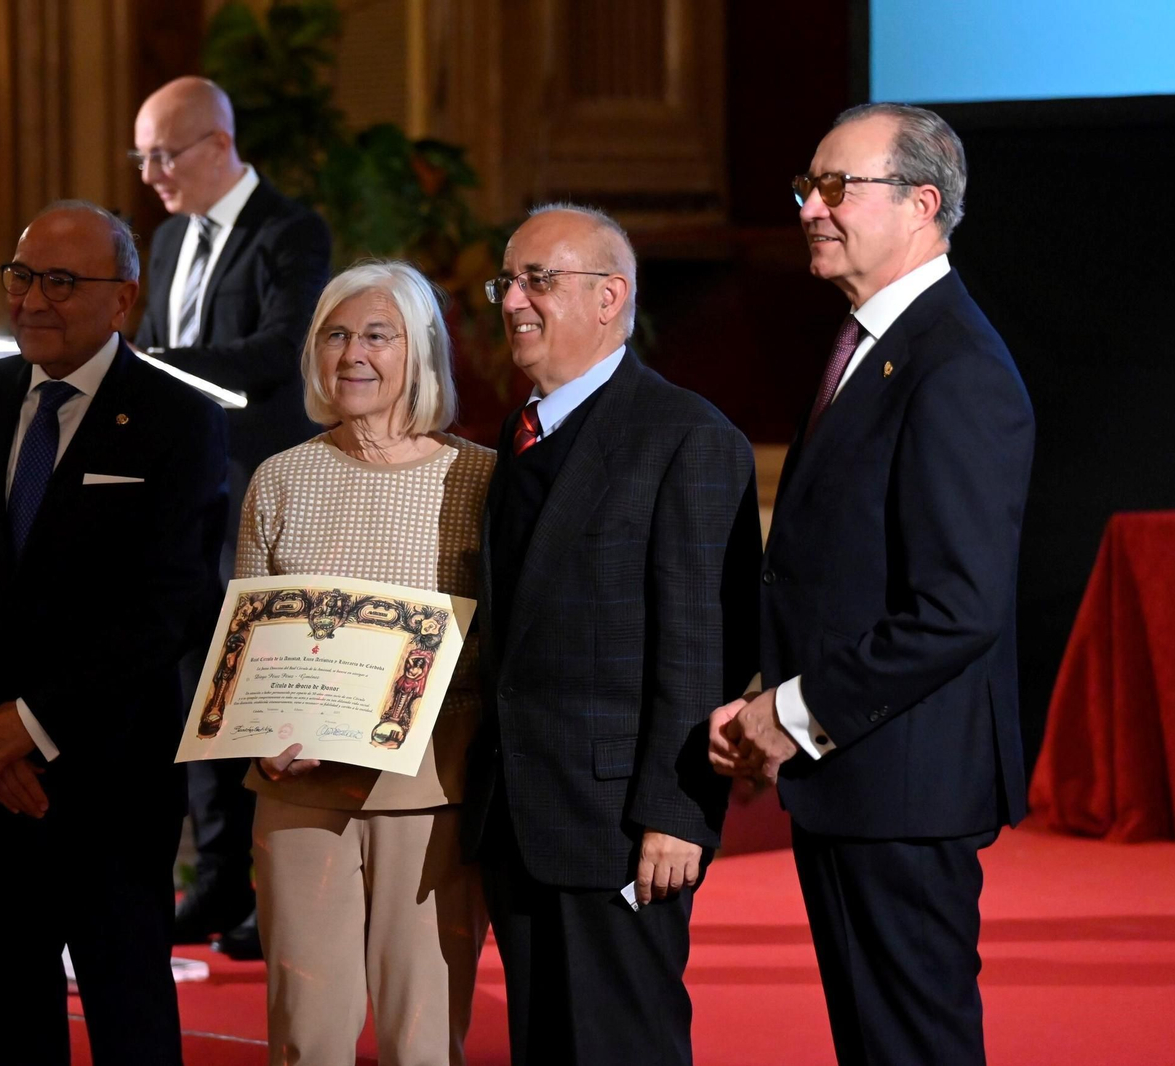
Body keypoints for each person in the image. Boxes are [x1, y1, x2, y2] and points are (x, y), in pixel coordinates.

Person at [708, 104, 1035, 1066]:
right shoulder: (873, 343)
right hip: (858, 780)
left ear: (922, 204)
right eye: (809, 185)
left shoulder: (956, 366)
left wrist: (793, 714)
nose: (812, 206)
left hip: (905, 788)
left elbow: (957, 609)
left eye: (838, 187)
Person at [0, 201, 227, 1066]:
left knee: (129, 1020)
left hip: (108, 777)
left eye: (60, 281)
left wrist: (33, 725)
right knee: (5, 1019)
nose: (31, 300)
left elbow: (170, 605)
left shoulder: (177, 419)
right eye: (21, 275)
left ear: (124, 298)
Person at [461, 204, 762, 1066]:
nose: (514, 300)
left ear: (609, 297)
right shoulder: (513, 440)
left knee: (623, 1047)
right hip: (517, 818)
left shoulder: (688, 438)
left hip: (622, 826)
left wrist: (677, 814)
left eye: (539, 280)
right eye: (508, 281)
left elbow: (703, 644)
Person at [239, 261, 492, 1065]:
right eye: (335, 335)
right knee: (306, 1038)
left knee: (422, 1041)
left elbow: (503, 646)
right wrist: (260, 730)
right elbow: (248, 648)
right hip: (299, 785)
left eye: (376, 335)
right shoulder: (278, 479)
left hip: (433, 791)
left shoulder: (481, 479)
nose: (352, 353)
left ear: (420, 352)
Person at [130, 75, 333, 956]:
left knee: (255, 687)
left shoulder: (290, 231)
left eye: (163, 155)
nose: (150, 175)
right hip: (180, 498)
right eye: (140, 158)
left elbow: (273, 355)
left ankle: (268, 882)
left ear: (218, 144)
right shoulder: (170, 240)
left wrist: (149, 366)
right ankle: (214, 877)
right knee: (192, 686)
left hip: (260, 491)